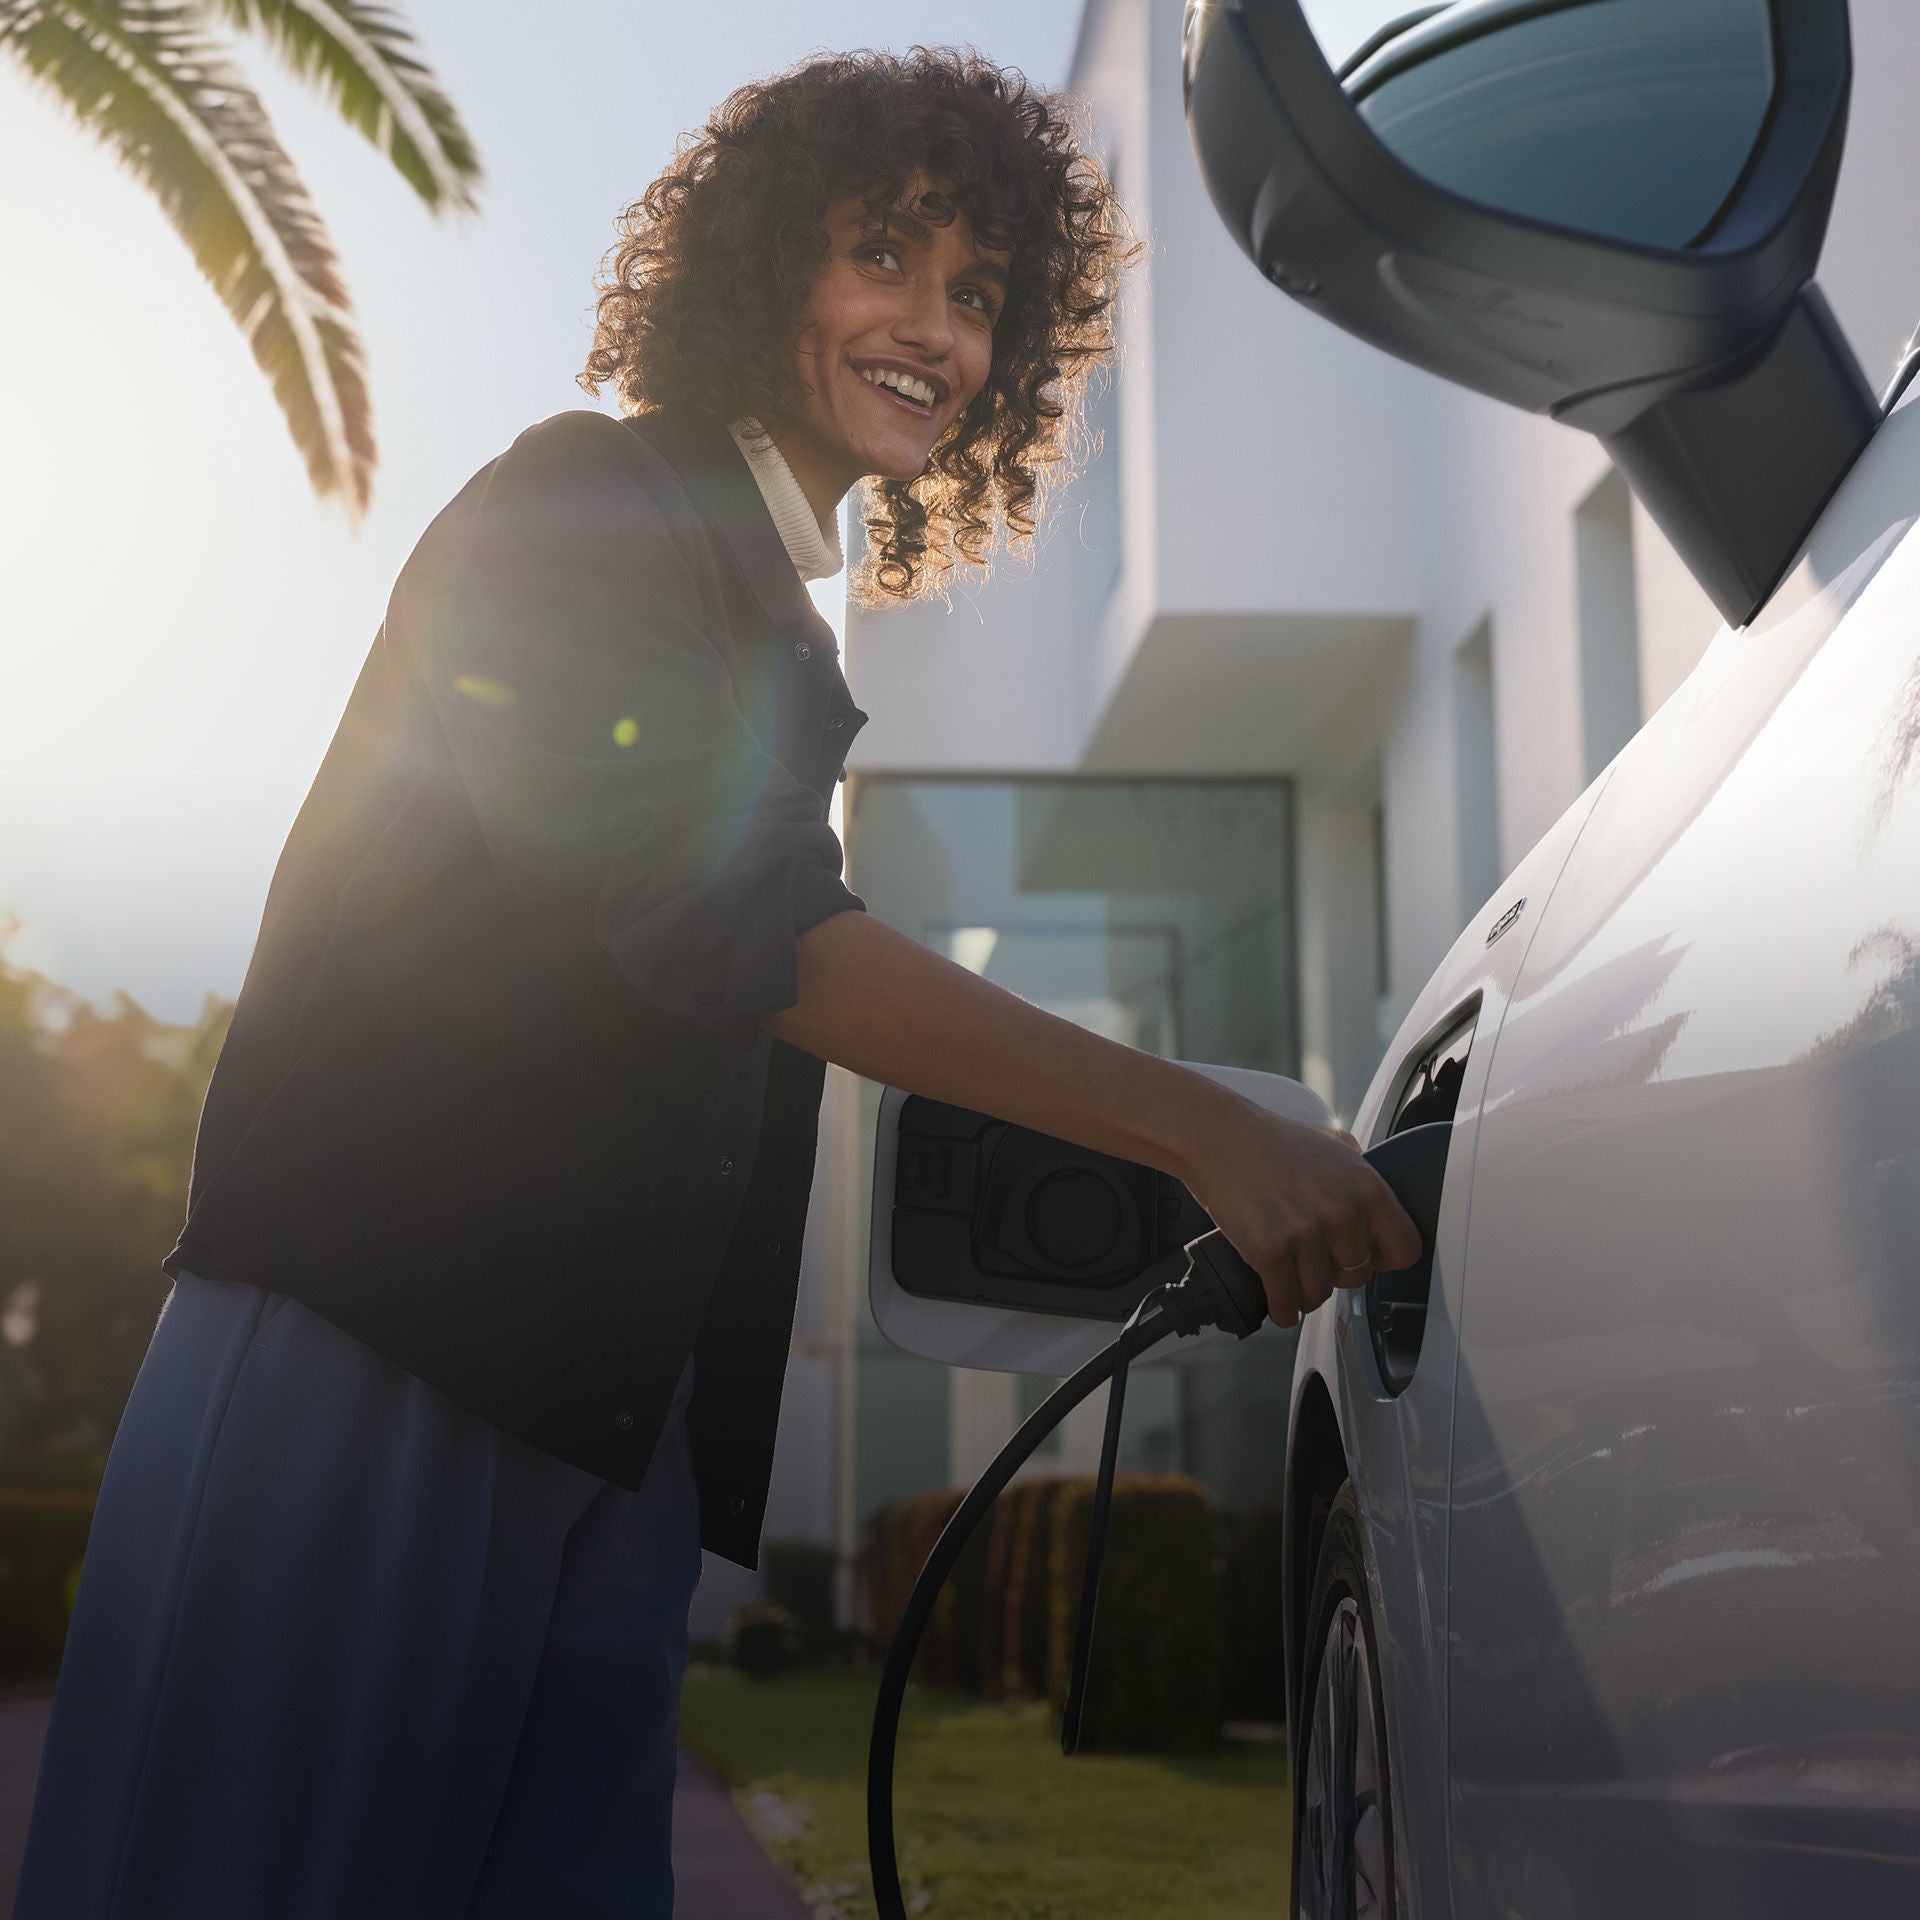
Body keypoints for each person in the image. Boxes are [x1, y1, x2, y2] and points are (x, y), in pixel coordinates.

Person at [17, 46, 1420, 1920]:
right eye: (884, 260)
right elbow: (724, 921)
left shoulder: (770, 618)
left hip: (616, 1433)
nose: (936, 326)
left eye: (980, 294)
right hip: (374, 1348)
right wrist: (1197, 1128)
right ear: (765, 272)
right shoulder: (581, 501)